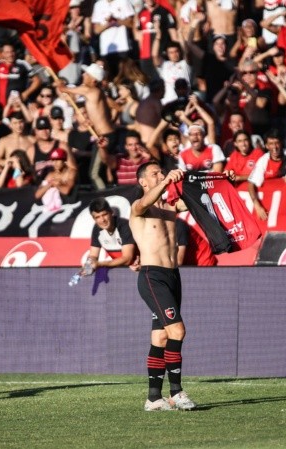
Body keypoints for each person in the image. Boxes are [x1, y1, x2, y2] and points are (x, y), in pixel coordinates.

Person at [130, 161, 196, 411]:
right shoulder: (138, 208)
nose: (160, 175)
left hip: (172, 277)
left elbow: (195, 200)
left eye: (161, 171)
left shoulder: (170, 208)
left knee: (160, 336)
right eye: (154, 173)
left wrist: (223, 182)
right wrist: (167, 180)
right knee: (177, 331)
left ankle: (153, 398)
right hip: (152, 277)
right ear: (143, 182)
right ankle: (176, 393)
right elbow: (144, 202)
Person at [86, 197, 137, 274]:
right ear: (94, 219)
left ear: (111, 212)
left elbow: (127, 259)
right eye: (97, 217)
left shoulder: (124, 226)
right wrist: (88, 266)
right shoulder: (97, 228)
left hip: (141, 267)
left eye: (104, 214)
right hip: (124, 270)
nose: (102, 220)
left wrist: (99, 264)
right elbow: (93, 255)